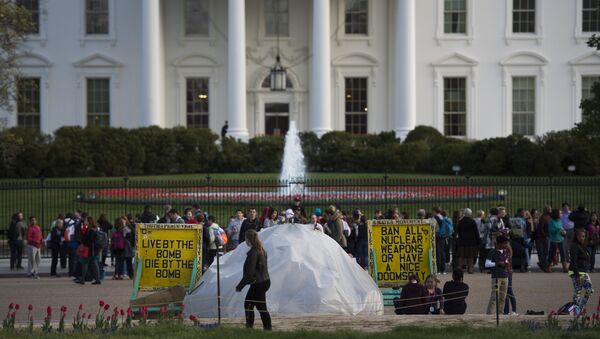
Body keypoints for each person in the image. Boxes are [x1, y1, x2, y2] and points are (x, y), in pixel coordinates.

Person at [235, 229, 272, 330]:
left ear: (249, 239)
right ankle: (254, 327)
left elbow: (249, 273)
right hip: (263, 281)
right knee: (251, 305)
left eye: (246, 238)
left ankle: (266, 329)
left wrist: (240, 286)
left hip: (259, 283)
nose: (245, 240)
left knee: (259, 307)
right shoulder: (261, 249)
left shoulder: (253, 252)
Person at [568, 229, 593, 313]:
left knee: (589, 290)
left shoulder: (583, 246)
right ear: (576, 236)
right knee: (578, 291)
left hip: (584, 272)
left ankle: (579, 308)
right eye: (580, 236)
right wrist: (577, 275)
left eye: (583, 236)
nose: (582, 238)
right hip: (577, 272)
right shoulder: (574, 246)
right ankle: (576, 310)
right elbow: (573, 261)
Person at [485, 235, 510, 315]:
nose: (506, 245)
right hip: (496, 277)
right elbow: (486, 264)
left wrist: (507, 264)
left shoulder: (505, 252)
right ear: (499, 244)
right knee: (494, 296)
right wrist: (497, 263)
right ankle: (489, 313)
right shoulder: (492, 252)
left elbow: (506, 260)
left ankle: (500, 313)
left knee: (503, 297)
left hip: (505, 277)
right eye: (505, 243)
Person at [75, 216, 102, 285]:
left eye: (86, 221)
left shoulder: (91, 230)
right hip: (93, 250)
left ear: (89, 222)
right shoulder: (93, 229)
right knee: (94, 264)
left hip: (89, 250)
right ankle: (97, 279)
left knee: (85, 264)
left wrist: (83, 241)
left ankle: (83, 279)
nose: (85, 222)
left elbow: (89, 241)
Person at [455, 208, 480, 274]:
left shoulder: (461, 221)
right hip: (471, 241)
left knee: (461, 256)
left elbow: (458, 231)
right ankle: (470, 269)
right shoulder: (472, 221)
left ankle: (459, 269)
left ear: (464, 213)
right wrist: (478, 240)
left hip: (462, 241)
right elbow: (476, 232)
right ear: (470, 214)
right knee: (471, 256)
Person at [548, 208, 568, 273]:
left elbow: (561, 228)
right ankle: (548, 267)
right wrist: (558, 229)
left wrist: (563, 231)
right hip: (554, 240)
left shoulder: (559, 221)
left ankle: (565, 268)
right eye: (559, 213)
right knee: (552, 254)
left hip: (561, 239)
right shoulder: (551, 221)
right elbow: (550, 230)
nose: (560, 214)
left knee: (563, 253)